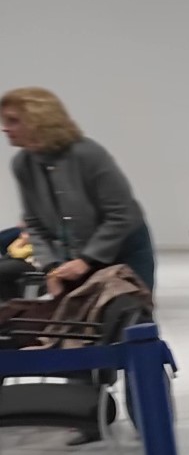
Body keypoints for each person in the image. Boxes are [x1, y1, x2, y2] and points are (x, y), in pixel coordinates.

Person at [3, 87, 156, 297]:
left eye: (13, 121)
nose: (5, 128)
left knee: (126, 312)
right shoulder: (22, 163)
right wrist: (51, 268)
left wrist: (87, 260)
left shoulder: (88, 154)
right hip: (74, 258)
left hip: (122, 250)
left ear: (39, 120)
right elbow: (34, 224)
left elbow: (121, 214)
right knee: (78, 314)